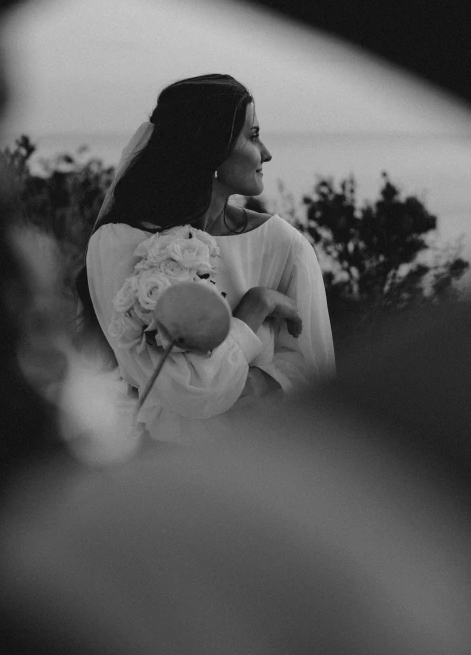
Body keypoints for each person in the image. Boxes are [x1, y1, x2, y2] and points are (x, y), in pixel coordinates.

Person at [77, 74, 335, 443]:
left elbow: (314, 367)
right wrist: (254, 308)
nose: (266, 153)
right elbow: (183, 388)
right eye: (253, 135)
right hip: (156, 461)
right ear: (211, 148)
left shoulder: (283, 244)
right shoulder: (119, 243)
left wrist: (254, 387)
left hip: (259, 457)